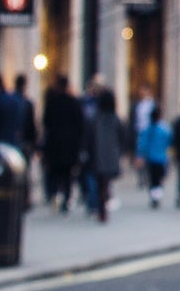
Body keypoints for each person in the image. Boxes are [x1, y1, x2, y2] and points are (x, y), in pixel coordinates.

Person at [39, 78, 84, 213]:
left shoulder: (52, 103)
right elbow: (80, 125)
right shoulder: (73, 102)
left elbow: (45, 123)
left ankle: (55, 195)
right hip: (69, 146)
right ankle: (66, 198)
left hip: (54, 144)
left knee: (54, 172)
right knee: (67, 174)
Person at [83, 89, 125, 223]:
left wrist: (86, 151)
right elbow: (123, 136)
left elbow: (87, 137)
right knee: (105, 183)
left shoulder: (95, 117)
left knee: (100, 182)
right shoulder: (115, 118)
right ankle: (103, 207)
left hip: (97, 155)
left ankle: (100, 207)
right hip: (111, 155)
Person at [137, 110, 173, 208]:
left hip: (150, 158)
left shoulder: (147, 130)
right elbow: (170, 141)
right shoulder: (164, 130)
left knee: (152, 179)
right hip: (161, 158)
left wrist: (140, 155)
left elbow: (142, 144)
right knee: (160, 178)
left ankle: (154, 196)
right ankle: (157, 195)